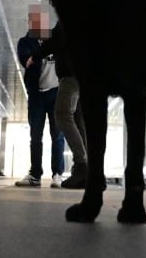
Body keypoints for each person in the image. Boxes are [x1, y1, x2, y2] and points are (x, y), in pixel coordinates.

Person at [15, 7, 65, 188]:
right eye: (35, 22)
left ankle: (57, 174)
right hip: (37, 95)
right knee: (35, 136)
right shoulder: (25, 42)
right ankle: (35, 174)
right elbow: (27, 62)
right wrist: (38, 55)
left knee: (57, 135)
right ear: (30, 24)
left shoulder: (56, 40)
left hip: (56, 94)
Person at [37, 21, 87, 189]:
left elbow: (55, 40)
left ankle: (82, 165)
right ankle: (84, 169)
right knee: (77, 120)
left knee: (63, 116)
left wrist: (35, 55)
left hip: (71, 74)